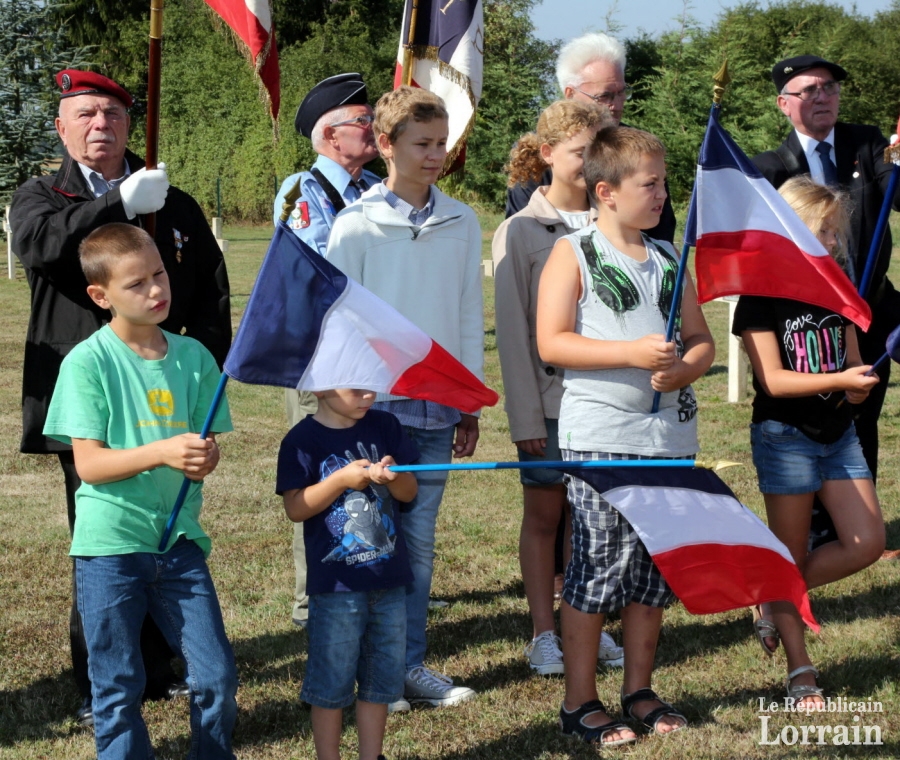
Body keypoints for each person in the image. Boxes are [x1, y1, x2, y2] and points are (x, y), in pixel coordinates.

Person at [10, 69, 231, 725]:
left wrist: (204, 381)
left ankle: (160, 665)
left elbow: (210, 293)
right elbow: (40, 248)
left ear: (130, 123)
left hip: (167, 394)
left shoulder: (173, 200)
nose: (100, 124)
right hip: (89, 399)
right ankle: (100, 675)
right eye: (85, 114)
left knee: (168, 527)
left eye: (112, 113)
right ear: (61, 126)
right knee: (104, 539)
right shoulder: (41, 195)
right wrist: (116, 205)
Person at [537, 126, 714, 745]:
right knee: (598, 567)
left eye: (665, 183)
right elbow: (552, 342)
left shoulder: (669, 258)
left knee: (651, 572)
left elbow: (701, 342)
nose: (663, 194)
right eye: (651, 184)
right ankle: (579, 700)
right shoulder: (574, 253)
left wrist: (681, 367)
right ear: (607, 192)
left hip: (670, 443)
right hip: (602, 439)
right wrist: (634, 353)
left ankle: (638, 690)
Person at [42, 223, 238, 758]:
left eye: (159, 274)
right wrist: (164, 451)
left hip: (178, 544)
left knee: (216, 677)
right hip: (110, 549)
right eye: (137, 284)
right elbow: (90, 464)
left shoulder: (195, 357)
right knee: (117, 687)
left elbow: (203, 449)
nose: (156, 290)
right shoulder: (88, 363)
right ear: (100, 296)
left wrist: (203, 457)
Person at [326, 86, 484, 708]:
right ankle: (375, 675)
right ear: (385, 146)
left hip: (439, 405)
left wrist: (468, 398)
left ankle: (409, 666)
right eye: (423, 143)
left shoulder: (462, 220)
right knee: (371, 539)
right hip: (376, 406)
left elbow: (469, 313)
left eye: (443, 143)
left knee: (418, 543)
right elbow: (341, 319)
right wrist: (347, 402)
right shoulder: (355, 224)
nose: (436, 155)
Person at [732, 176, 885, 704]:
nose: (834, 243)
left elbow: (849, 359)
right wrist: (842, 382)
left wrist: (859, 383)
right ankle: (801, 670)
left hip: (839, 434)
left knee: (868, 542)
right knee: (789, 555)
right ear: (788, 230)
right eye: (823, 231)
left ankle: (770, 598)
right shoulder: (757, 297)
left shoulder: (836, 285)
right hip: (785, 437)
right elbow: (773, 380)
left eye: (835, 233)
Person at [492, 99, 624, 676]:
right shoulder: (520, 232)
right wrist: (524, 420)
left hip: (606, 403)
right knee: (546, 517)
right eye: (578, 153)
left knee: (592, 520)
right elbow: (515, 334)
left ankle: (587, 619)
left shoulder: (612, 222)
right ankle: (545, 632)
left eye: (598, 152)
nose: (589, 164)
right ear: (546, 154)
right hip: (548, 405)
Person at [752, 55, 900, 552]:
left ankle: (848, 523)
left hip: (870, 311)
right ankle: (809, 530)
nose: (823, 97)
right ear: (784, 104)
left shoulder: (868, 143)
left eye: (830, 87)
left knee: (863, 412)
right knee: (809, 415)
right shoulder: (766, 169)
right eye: (809, 90)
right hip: (801, 321)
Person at [272, 72, 382, 629]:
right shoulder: (302, 190)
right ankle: (311, 594)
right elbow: (323, 269)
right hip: (321, 356)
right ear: (329, 136)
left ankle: (375, 570)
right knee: (319, 475)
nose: (374, 129)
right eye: (363, 122)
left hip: (374, 355)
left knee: (374, 465)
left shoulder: (379, 188)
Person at [276, 388, 419, 760]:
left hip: (388, 582)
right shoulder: (302, 440)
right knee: (331, 681)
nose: (368, 394)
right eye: (355, 388)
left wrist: (392, 477)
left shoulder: (386, 426)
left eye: (371, 384)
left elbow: (409, 492)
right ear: (322, 386)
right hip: (336, 589)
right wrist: (340, 481)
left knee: (381, 679)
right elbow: (295, 508)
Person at [504, 32, 676, 244]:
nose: (617, 104)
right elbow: (524, 238)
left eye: (622, 92)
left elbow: (660, 236)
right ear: (570, 93)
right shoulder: (536, 155)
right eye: (604, 96)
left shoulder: (640, 151)